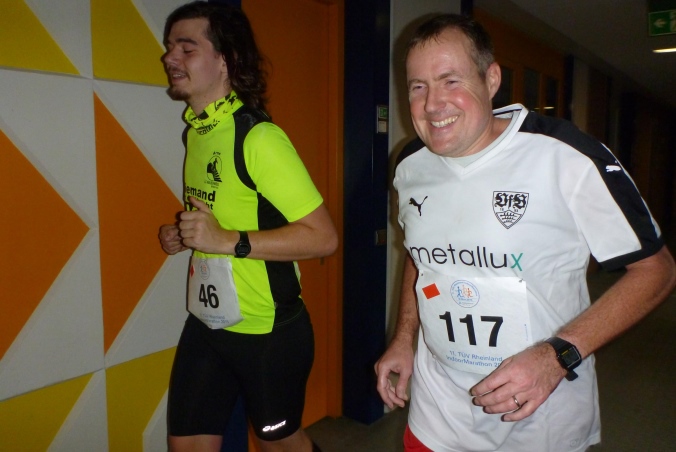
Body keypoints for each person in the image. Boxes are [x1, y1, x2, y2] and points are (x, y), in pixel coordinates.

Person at [375, 13, 676, 452]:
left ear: (491, 79)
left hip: (541, 418)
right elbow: (421, 255)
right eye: (417, 87)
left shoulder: (565, 156)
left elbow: (656, 271)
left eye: (450, 81)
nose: (432, 104)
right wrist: (404, 338)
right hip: (438, 413)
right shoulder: (410, 164)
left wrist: (558, 355)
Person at [158, 2, 337, 451]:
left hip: (267, 332)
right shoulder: (197, 132)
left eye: (186, 48)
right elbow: (228, 214)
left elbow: (324, 238)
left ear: (226, 59)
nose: (170, 57)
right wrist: (184, 235)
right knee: (185, 443)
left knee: (280, 444)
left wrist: (227, 241)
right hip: (208, 322)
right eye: (169, 47)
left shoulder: (258, 137)